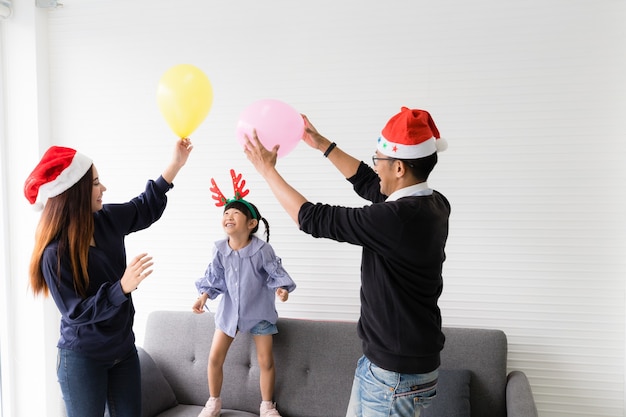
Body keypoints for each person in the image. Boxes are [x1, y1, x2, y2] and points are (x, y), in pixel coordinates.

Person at [244, 107, 450, 417]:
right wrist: (322, 144)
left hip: (393, 377)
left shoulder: (396, 219)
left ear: (399, 169)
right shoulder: (432, 202)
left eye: (378, 159)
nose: (374, 166)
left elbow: (312, 219)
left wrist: (267, 171)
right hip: (392, 366)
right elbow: (369, 182)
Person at [25, 139, 193, 417]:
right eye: (95, 183)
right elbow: (75, 312)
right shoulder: (54, 254)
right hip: (83, 358)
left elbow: (144, 208)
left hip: (123, 351)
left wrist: (175, 165)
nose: (103, 189)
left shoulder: (106, 219)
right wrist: (121, 288)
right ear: (74, 193)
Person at [192, 169, 296, 417]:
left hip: (259, 313)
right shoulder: (219, 250)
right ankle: (214, 403)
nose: (228, 216)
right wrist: (203, 296)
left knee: (265, 361)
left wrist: (282, 290)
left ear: (251, 224)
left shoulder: (262, 250)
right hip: (230, 314)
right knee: (214, 357)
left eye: (234, 213)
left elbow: (275, 274)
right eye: (225, 213)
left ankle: (267, 406)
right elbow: (214, 278)